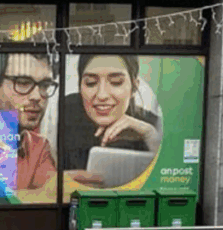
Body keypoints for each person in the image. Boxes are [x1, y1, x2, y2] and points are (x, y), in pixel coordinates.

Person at [63, 54, 161, 194]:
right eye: (90, 83)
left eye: (116, 82)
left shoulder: (152, 124)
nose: (102, 95)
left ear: (134, 87)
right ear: (80, 87)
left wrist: (150, 135)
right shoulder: (65, 113)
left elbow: (169, 174)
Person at [0, 53, 59, 203]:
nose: (37, 96)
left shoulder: (38, 146)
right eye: (22, 83)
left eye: (45, 86)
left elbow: (52, 195)